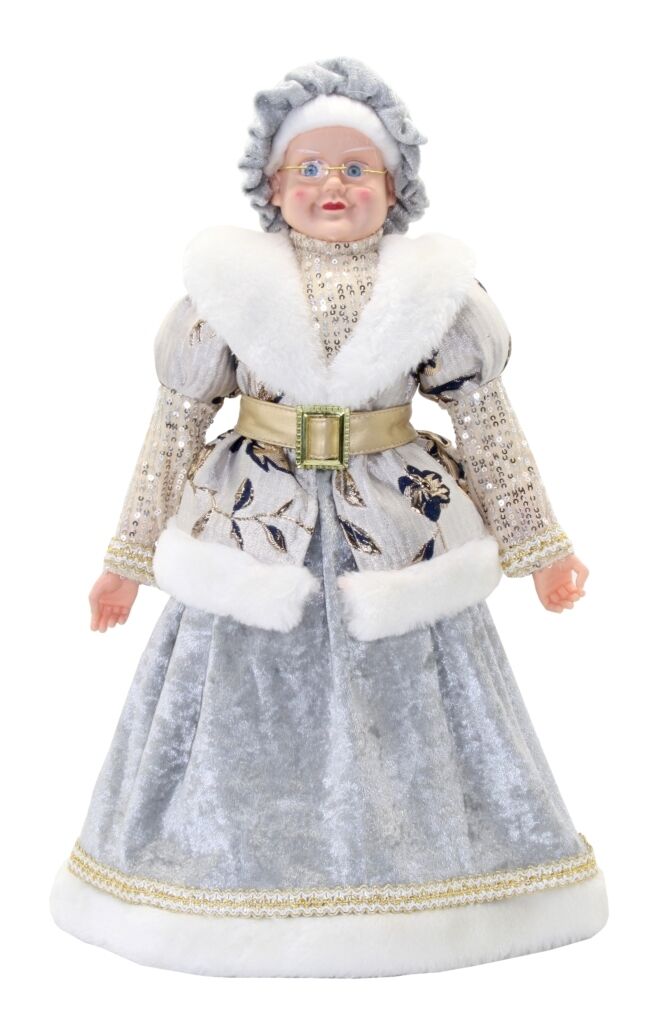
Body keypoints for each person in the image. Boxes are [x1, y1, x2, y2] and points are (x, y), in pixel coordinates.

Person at [50, 56, 608, 977]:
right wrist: (129, 560)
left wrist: (539, 545)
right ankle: (225, 881)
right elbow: (174, 430)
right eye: (307, 168)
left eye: (356, 168)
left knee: (409, 696)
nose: (331, 185)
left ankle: (423, 885)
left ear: (395, 186)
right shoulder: (224, 294)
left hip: (394, 532)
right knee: (240, 695)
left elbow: (487, 426)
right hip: (251, 528)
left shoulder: (436, 297)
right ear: (272, 188)